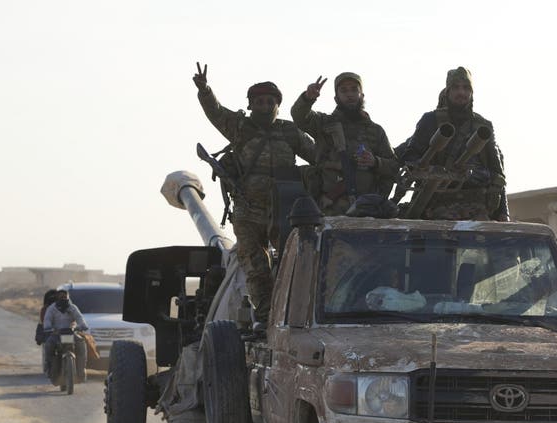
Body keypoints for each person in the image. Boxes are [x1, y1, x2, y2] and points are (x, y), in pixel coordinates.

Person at [193, 63, 316, 325]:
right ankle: (264, 319)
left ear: (278, 105)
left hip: (283, 211)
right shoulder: (239, 127)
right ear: (250, 105)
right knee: (256, 268)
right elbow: (215, 112)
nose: (264, 106)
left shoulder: (289, 132)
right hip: (248, 211)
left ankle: (289, 318)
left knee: (288, 266)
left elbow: (318, 157)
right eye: (259, 101)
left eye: (270, 101)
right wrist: (205, 90)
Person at [398, 67, 508, 221]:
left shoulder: (483, 126)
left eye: (466, 88)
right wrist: (432, 171)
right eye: (455, 87)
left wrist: (503, 212)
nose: (461, 92)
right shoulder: (430, 120)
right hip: (433, 204)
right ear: (448, 91)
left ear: (471, 92)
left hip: (474, 207)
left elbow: (497, 174)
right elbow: (410, 157)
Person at [290, 72, 399, 214]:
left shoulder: (375, 131)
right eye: (344, 90)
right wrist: (307, 98)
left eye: (354, 89)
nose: (350, 94)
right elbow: (299, 117)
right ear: (336, 98)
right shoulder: (324, 124)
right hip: (329, 207)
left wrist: (375, 162)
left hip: (367, 210)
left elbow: (394, 166)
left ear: (362, 95)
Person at [41, 290, 89, 377]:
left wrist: (82, 326)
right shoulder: (51, 309)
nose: (63, 299)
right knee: (48, 345)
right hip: (56, 334)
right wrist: (48, 328)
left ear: (68, 298)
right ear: (57, 298)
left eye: (65, 297)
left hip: (71, 333)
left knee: (81, 343)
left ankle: (82, 368)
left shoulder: (73, 308)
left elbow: (79, 318)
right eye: (61, 297)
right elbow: (47, 320)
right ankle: (48, 366)